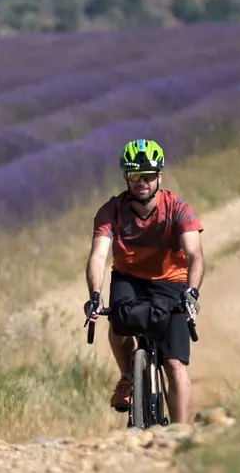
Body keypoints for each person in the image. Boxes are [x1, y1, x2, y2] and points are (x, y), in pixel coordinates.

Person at [83, 138, 205, 425]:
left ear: (159, 176)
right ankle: (127, 376)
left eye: (148, 176)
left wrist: (192, 293)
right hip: (130, 278)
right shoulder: (111, 210)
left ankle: (180, 431)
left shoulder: (178, 209)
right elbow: (99, 256)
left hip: (172, 281)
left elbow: (195, 255)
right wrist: (94, 295)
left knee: (174, 365)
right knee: (117, 318)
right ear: (126, 177)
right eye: (134, 176)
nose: (141, 183)